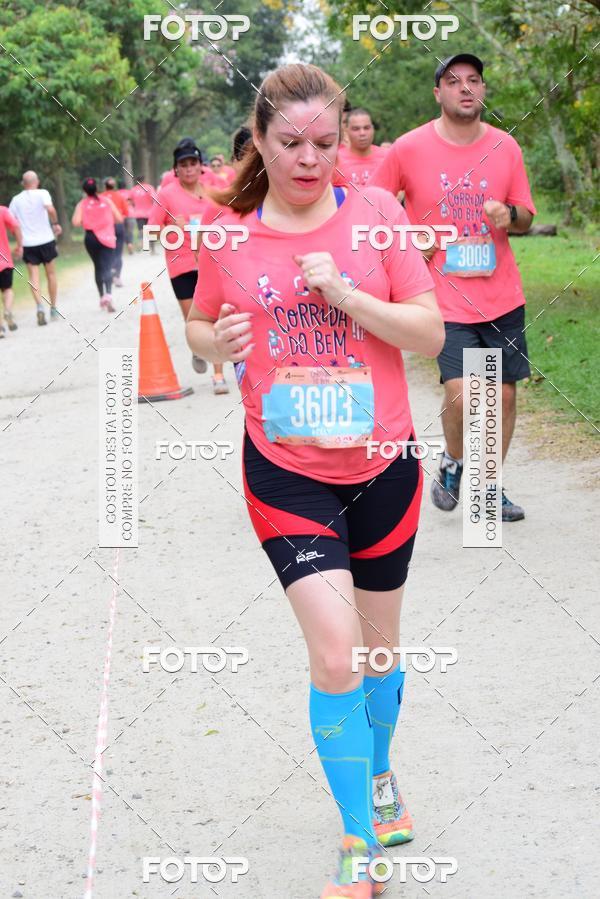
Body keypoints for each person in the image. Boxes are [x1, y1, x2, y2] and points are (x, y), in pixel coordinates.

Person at [186, 63, 444, 899]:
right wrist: (212, 344)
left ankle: (380, 771)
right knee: (334, 654)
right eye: (290, 142)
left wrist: (347, 297)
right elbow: (198, 320)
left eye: (325, 143)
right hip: (286, 467)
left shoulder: (376, 213)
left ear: (342, 140)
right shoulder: (228, 232)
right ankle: (357, 842)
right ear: (258, 139)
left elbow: (431, 333)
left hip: (384, 464)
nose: (309, 158)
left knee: (376, 648)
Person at [371, 53, 536, 521]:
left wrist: (510, 216)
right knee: (464, 390)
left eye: (474, 80)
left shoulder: (506, 147)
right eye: (453, 81)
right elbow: (375, 207)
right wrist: (406, 241)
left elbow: (525, 215)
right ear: (437, 92)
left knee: (502, 394)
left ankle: (486, 486)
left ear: (482, 91)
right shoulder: (407, 147)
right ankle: (455, 456)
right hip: (443, 295)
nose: (466, 88)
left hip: (502, 294)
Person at [147, 139, 229, 393]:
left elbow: (229, 223)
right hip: (180, 265)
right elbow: (150, 232)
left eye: (193, 163)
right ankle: (199, 347)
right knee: (194, 320)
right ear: (176, 169)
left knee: (214, 317)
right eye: (184, 165)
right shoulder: (167, 195)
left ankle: (218, 376)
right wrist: (172, 229)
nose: (189, 169)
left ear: (201, 166)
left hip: (210, 263)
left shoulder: (213, 194)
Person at [9, 170, 62, 325]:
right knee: (51, 274)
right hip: (46, 239)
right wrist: (55, 223)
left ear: (23, 184)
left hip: (28, 243)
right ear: (36, 182)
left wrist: (17, 237)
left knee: (34, 276)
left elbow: (12, 221)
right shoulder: (43, 193)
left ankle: (39, 306)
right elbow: (50, 209)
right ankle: (53, 307)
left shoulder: (16, 200)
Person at [71, 178, 123, 312]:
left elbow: (76, 222)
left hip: (91, 238)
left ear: (84, 191)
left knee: (98, 267)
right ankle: (109, 295)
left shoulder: (82, 204)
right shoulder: (106, 201)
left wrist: (88, 220)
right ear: (97, 188)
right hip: (107, 237)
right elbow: (119, 218)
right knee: (107, 266)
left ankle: (101, 296)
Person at [336, 109, 388, 188]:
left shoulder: (388, 157)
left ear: (373, 129)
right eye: (356, 129)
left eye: (366, 128)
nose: (362, 133)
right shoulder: (335, 160)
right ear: (346, 131)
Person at [100, 178, 128, 287]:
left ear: (105, 186)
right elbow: (126, 212)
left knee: (108, 252)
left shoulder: (101, 197)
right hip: (118, 226)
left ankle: (109, 273)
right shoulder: (120, 196)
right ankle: (117, 277)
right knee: (118, 252)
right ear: (114, 186)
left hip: (106, 227)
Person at [0, 205, 23, 337]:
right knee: (7, 289)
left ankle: (0, 329)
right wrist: (20, 246)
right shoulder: (2, 210)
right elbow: (16, 226)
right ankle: (8, 311)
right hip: (4, 261)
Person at [128, 177, 158, 252]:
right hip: (149, 213)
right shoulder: (149, 187)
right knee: (151, 230)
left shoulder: (133, 190)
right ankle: (153, 250)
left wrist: (135, 206)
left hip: (138, 214)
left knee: (141, 229)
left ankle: (141, 241)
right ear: (144, 180)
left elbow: (130, 201)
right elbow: (154, 199)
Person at [117, 181, 134, 255]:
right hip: (130, 214)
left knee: (121, 232)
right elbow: (132, 202)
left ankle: (122, 248)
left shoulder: (116, 194)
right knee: (129, 231)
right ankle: (130, 243)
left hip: (120, 215)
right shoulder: (129, 192)